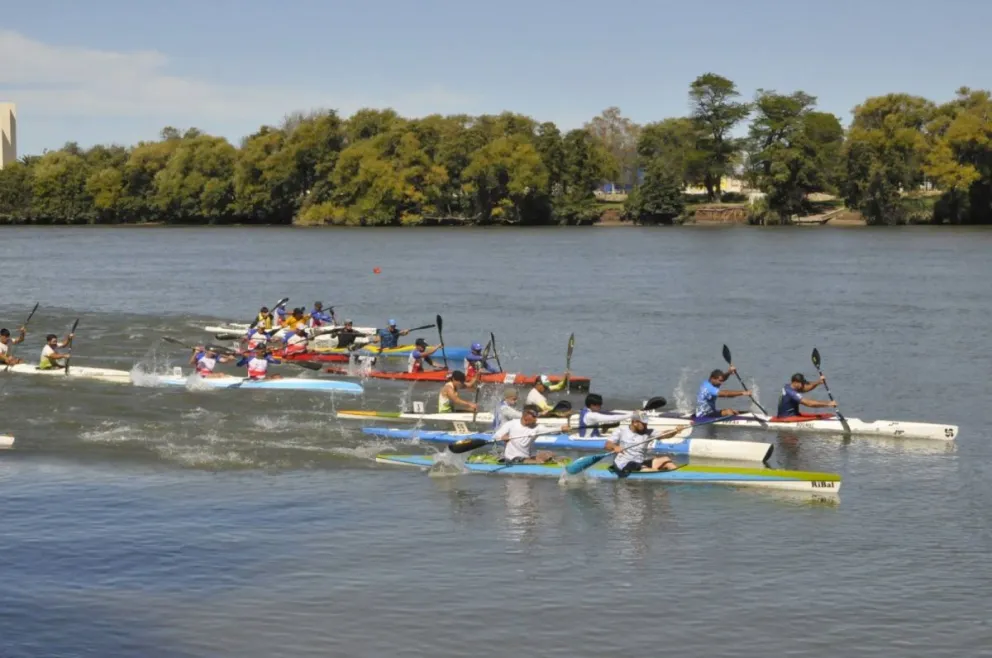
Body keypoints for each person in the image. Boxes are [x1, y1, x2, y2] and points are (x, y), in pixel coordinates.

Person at [606, 412, 679, 477]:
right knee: (651, 470)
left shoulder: (648, 432)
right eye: (644, 423)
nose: (646, 425)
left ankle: (678, 476)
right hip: (624, 465)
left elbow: (665, 435)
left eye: (647, 423)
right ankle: (657, 473)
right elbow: (608, 444)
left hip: (639, 463)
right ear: (635, 422)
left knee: (666, 460)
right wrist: (615, 447)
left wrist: (676, 431)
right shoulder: (621, 430)